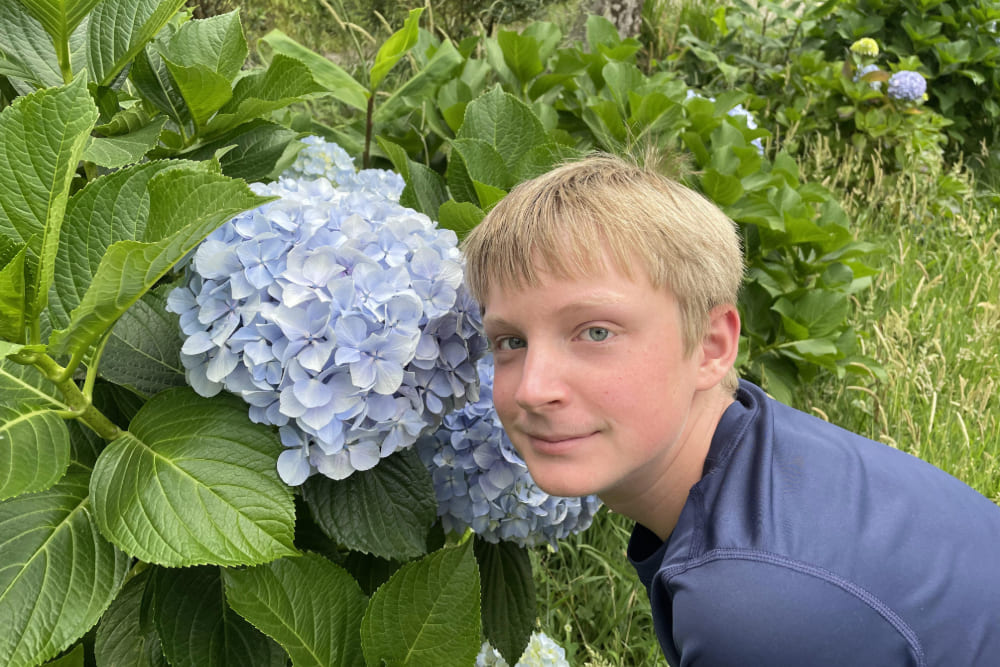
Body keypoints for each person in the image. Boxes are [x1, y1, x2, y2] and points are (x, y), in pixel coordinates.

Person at [460, 152, 1000, 666]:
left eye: (595, 332)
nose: (532, 389)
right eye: (510, 341)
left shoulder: (756, 606)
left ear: (712, 346)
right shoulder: (762, 441)